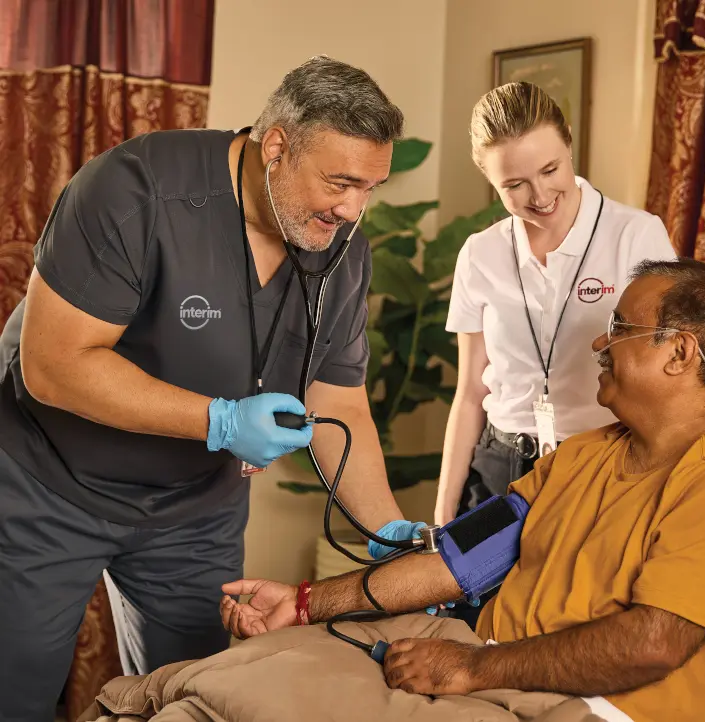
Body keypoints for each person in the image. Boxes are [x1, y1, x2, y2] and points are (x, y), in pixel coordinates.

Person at [0, 56, 424, 722]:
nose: (354, 210)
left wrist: (387, 530)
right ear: (276, 148)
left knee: (192, 696)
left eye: (371, 187)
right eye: (341, 183)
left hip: (195, 511)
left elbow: (338, 401)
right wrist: (220, 421)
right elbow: (53, 364)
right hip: (47, 487)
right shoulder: (135, 192)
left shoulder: (342, 250)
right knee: (13, 691)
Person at [220, 259, 705, 722]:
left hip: (600, 706)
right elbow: (460, 560)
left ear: (679, 353)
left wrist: (475, 667)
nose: (599, 342)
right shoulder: (583, 455)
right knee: (235, 681)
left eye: (620, 327)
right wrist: (305, 603)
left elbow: (654, 644)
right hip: (488, 670)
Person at [434, 82, 676, 532]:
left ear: (569, 144)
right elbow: (470, 391)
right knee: (475, 584)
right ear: (490, 180)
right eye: (514, 184)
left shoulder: (637, 236)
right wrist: (445, 505)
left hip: (602, 464)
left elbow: (668, 377)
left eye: (550, 169)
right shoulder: (480, 253)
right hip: (499, 471)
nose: (540, 195)